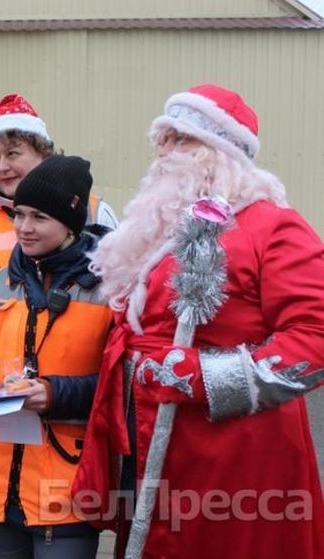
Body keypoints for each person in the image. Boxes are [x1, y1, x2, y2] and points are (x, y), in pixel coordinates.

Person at [73, 84, 324, 559]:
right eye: (162, 141)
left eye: (182, 141)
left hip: (232, 453)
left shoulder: (273, 227)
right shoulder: (160, 232)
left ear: (222, 154)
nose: (165, 154)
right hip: (148, 438)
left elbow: (315, 339)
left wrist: (208, 378)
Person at [0, 93, 118, 557]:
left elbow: (118, 378)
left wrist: (54, 392)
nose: (2, 166)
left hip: (63, 459)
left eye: (13, 154)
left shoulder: (99, 232)